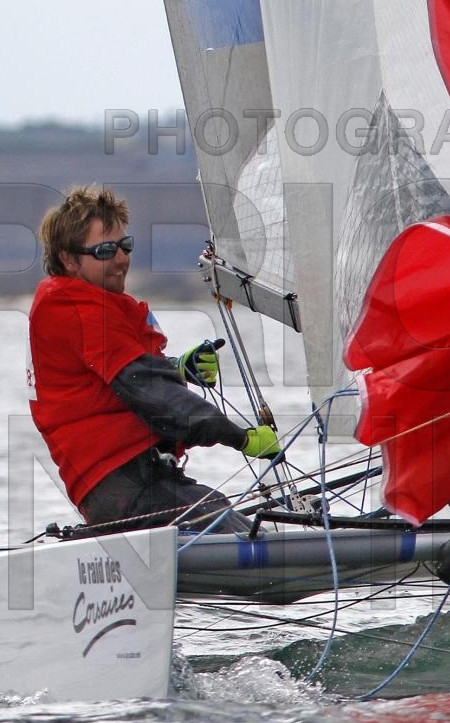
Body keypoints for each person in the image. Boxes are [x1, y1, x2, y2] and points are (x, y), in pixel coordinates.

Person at [27, 185, 279, 533]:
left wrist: (178, 368)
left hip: (138, 483)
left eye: (125, 246)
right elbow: (150, 391)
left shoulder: (82, 305)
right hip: (122, 486)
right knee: (230, 527)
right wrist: (240, 437)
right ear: (69, 260)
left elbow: (118, 378)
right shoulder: (78, 310)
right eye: (105, 251)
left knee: (225, 516)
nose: (121, 259)